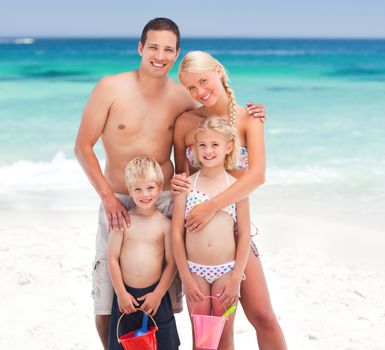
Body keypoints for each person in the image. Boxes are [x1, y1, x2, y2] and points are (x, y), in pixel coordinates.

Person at [74, 18, 265, 349]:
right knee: (107, 298)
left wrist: (253, 115)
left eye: (167, 50)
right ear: (140, 47)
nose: (159, 56)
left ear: (176, 55)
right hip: (118, 201)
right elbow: (82, 147)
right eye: (153, 47)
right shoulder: (110, 88)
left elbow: (215, 126)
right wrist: (108, 197)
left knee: (168, 300)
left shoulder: (183, 98)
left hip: (165, 200)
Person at [172, 51, 287, 349]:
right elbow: (182, 177)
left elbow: (257, 176)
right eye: (191, 88)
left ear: (219, 72)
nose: (199, 92)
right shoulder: (185, 123)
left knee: (263, 316)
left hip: (236, 233)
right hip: (197, 242)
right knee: (216, 332)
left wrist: (211, 207)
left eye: (203, 81)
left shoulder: (250, 118)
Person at [171, 117, 251, 349]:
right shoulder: (186, 186)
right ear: (194, 149)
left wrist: (236, 277)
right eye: (202, 145)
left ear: (228, 147)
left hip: (226, 271)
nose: (208, 151)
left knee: (225, 336)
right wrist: (185, 277)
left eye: (215, 145)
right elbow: (177, 234)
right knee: (201, 338)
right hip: (194, 271)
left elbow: (244, 234)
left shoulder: (236, 186)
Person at [107, 156, 179, 350]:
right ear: (130, 190)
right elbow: (112, 258)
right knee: (124, 343)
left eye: (150, 188)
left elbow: (172, 263)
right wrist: (121, 293)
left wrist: (158, 293)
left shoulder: (165, 224)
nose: (144, 194)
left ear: (160, 187)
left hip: (155, 296)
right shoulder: (124, 221)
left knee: (164, 343)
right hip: (125, 297)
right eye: (137, 189)